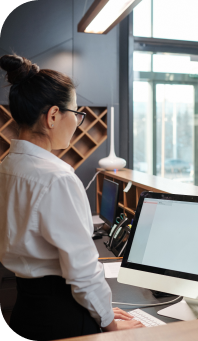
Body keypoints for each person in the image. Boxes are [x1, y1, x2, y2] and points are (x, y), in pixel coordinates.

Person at [0, 54, 143, 340]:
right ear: (53, 116)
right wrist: (107, 320)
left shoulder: (7, 166)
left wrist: (102, 310)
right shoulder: (57, 177)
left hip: (26, 309)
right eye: (76, 114)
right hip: (62, 317)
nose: (78, 122)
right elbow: (83, 271)